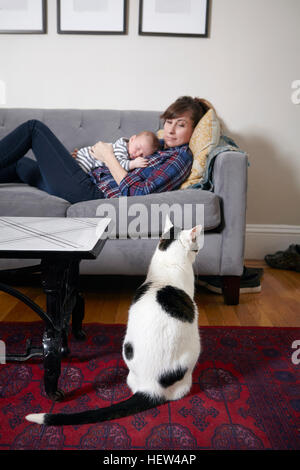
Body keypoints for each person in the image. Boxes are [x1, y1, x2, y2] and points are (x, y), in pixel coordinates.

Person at [0, 96, 212, 204]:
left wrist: (107, 156)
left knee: (34, 129)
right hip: (83, 178)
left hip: (90, 192)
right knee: (20, 165)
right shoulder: (161, 146)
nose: (171, 130)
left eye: (181, 125)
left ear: (194, 130)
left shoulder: (179, 158)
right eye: (168, 122)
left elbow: (138, 193)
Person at [73, 131, 160, 173]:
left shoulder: (127, 152)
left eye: (142, 155)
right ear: (132, 139)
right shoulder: (121, 147)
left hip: (87, 159)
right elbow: (117, 164)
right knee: (78, 174)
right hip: (87, 158)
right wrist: (133, 164)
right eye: (137, 148)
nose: (137, 154)